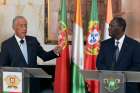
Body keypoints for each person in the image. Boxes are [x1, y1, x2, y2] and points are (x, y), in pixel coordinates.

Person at [0, 16, 62, 93]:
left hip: (33, 84)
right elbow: (3, 66)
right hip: (16, 85)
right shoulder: (6, 44)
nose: (24, 28)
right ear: (14, 27)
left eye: (25, 25)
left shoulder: (33, 41)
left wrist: (55, 51)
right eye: (21, 26)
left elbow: (44, 56)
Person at [96, 17, 140, 93]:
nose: (108, 28)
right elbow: (99, 63)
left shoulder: (135, 45)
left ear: (121, 28)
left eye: (111, 26)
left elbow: (137, 65)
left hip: (128, 87)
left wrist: (120, 76)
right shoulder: (104, 44)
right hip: (108, 86)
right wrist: (111, 76)